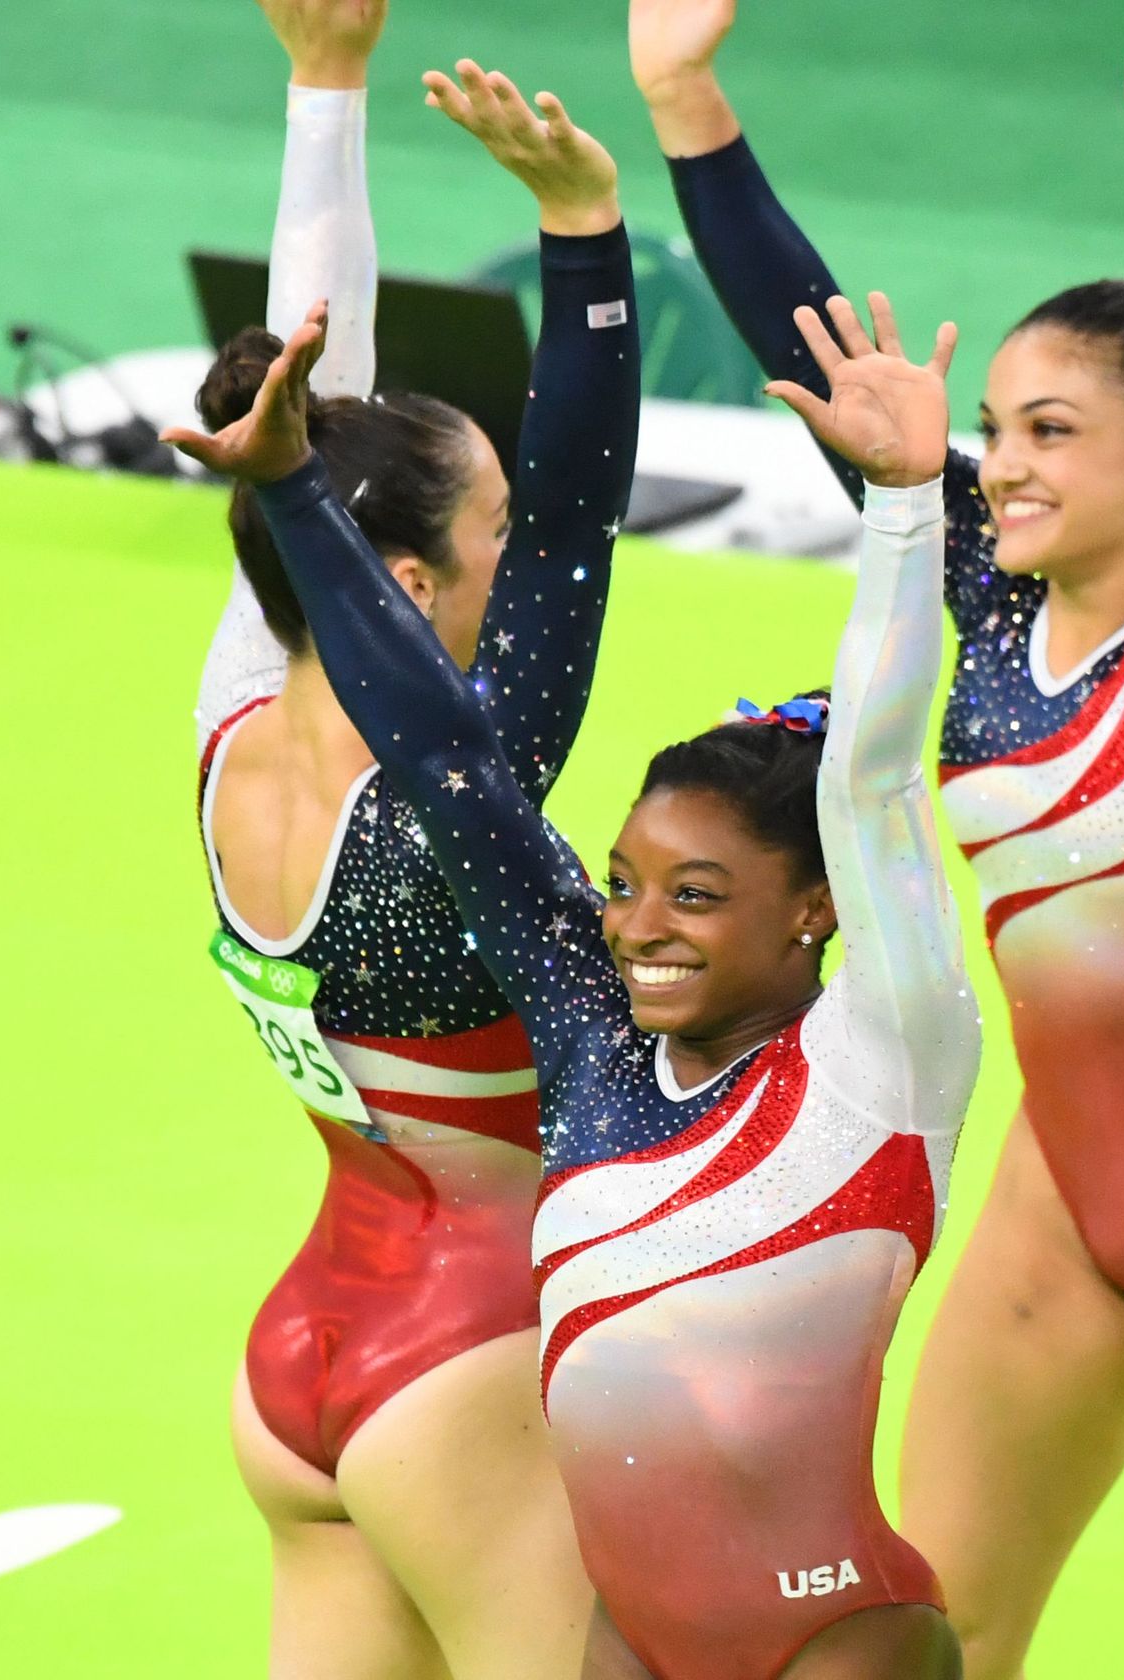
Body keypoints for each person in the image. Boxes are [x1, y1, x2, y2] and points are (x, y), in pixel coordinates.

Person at [632, 1, 1124, 1666]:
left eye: (1052, 433)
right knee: (939, 1631)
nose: (1004, 465)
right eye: (1001, 428)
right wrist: (689, 101)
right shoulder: (982, 583)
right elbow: (824, 354)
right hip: (1057, 1181)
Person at [174, 272, 982, 1677]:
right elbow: (451, 751)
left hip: (805, 1623)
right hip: (460, 1369)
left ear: (816, 910)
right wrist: (299, 481)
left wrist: (909, 516)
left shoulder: (878, 1061)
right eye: (618, 884)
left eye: (696, 897)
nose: (637, 925)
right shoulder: (596, 1044)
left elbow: (876, 785)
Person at [189, 16, 623, 1675]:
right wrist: (585, 238)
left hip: (302, 1353)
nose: (524, 557)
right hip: (467, 1358)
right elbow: (586, 507)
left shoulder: (237, 724)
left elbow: (321, 390)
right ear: (422, 584)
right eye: (489, 530)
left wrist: (326, 87)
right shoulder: (457, 788)